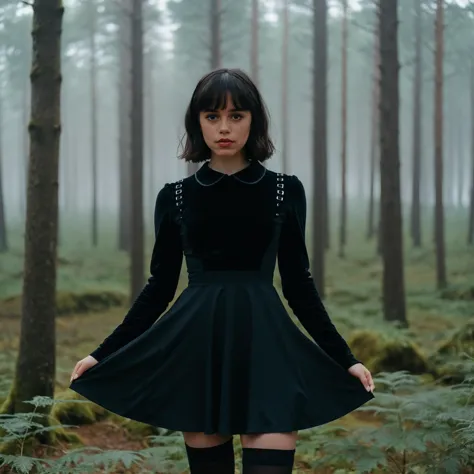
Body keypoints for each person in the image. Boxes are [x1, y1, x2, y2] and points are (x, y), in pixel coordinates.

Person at [69, 68, 375, 474]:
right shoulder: (175, 197)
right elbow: (158, 289)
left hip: (268, 347)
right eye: (212, 116)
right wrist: (101, 354)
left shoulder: (285, 190)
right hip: (199, 350)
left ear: (255, 121)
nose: (224, 128)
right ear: (197, 122)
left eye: (237, 115)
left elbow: (299, 286)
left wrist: (346, 359)